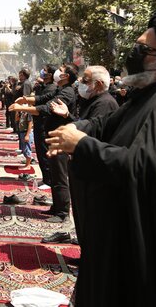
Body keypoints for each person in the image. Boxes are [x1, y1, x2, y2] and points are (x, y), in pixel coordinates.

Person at [46, 8, 156, 306]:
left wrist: (81, 145)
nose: (133, 54)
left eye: (142, 49)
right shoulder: (147, 96)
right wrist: (73, 130)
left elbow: (144, 167)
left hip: (151, 253)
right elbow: (103, 126)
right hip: (121, 242)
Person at [41, 65, 118, 245]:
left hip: (93, 166)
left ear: (98, 84)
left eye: (85, 81)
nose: (81, 84)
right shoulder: (94, 100)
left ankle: (90, 255)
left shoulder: (105, 103)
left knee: (91, 213)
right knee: (83, 213)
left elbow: (90, 131)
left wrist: (68, 118)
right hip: (84, 162)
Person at [10, 63, 78, 222]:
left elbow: (46, 107)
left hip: (61, 139)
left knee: (60, 177)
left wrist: (22, 108)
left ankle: (62, 213)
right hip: (53, 137)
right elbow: (42, 98)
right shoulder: (58, 89)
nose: (56, 73)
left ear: (65, 76)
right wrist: (26, 99)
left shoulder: (67, 92)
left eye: (60, 70)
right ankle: (56, 207)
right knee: (54, 175)